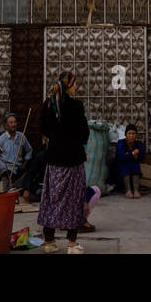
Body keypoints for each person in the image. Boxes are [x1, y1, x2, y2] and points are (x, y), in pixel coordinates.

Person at [38, 70, 90, 254]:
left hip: (54, 160)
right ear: (71, 85)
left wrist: (53, 138)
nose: (77, 86)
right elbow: (84, 132)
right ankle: (71, 244)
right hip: (73, 160)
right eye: (75, 83)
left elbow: (43, 129)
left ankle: (50, 241)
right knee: (73, 200)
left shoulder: (48, 104)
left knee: (52, 199)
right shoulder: (76, 105)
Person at [0, 113, 31, 178]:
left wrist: (25, 164)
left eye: (15, 122)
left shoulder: (21, 136)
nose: (14, 124)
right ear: (6, 126)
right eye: (11, 123)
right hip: (6, 170)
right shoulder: (1, 140)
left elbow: (29, 150)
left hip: (18, 169)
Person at [116, 125, 145, 198]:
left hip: (133, 166)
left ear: (136, 135)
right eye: (129, 133)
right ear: (126, 135)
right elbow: (121, 157)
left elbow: (141, 157)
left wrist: (128, 155)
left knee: (134, 164)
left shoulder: (138, 144)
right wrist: (133, 153)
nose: (131, 136)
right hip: (121, 168)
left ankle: (136, 190)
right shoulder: (121, 143)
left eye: (133, 133)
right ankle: (128, 190)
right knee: (126, 165)